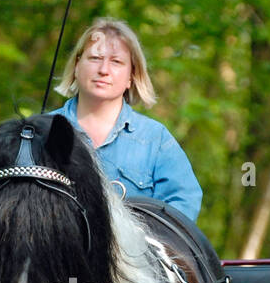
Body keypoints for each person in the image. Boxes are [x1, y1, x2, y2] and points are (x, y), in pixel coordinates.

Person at [53, 17, 203, 222]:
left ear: (131, 76)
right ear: (77, 66)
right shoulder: (41, 132)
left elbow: (183, 203)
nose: (103, 70)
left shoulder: (155, 139)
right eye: (95, 58)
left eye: (116, 62)